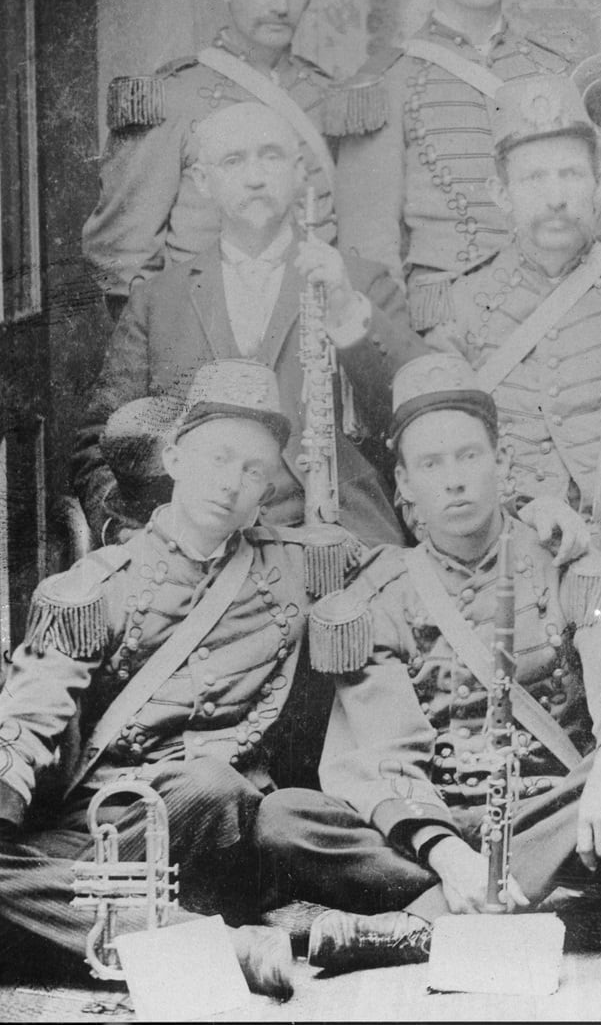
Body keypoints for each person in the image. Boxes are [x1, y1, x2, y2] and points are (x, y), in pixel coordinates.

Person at [254, 352, 601, 986]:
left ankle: (427, 925)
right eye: (431, 465)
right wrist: (448, 854)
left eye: (469, 456)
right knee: (284, 821)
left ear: (501, 464)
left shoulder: (567, 562)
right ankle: (554, 912)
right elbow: (381, 754)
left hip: (561, 815)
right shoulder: (382, 593)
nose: (455, 480)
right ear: (404, 484)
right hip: (440, 827)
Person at [0, 360, 364, 999]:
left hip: (218, 831)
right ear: (174, 455)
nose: (233, 484)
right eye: (219, 458)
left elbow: (426, 568)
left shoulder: (307, 565)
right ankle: (214, 947)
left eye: (255, 471)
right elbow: (32, 709)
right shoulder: (97, 586)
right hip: (112, 830)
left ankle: (114, 932)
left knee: (205, 781)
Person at [73, 101, 424, 548]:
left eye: (272, 156)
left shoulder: (360, 283)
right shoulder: (156, 302)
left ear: (300, 172)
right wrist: (122, 528)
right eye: (234, 161)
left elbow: (412, 416)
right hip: (197, 551)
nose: (255, 178)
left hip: (341, 542)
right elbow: (98, 442)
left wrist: (346, 313)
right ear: (202, 181)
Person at [431, 72, 601, 543]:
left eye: (571, 174)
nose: (556, 198)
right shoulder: (460, 306)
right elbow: (436, 464)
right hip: (506, 552)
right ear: (502, 194)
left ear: (600, 182)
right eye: (534, 178)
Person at [334, 0, 574, 332]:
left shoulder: (553, 72)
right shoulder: (389, 82)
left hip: (553, 318)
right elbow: (370, 252)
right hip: (444, 329)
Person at [82, 0, 338, 316]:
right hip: (207, 335)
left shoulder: (325, 95)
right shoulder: (172, 98)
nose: (280, 4)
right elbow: (122, 258)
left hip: (311, 331)